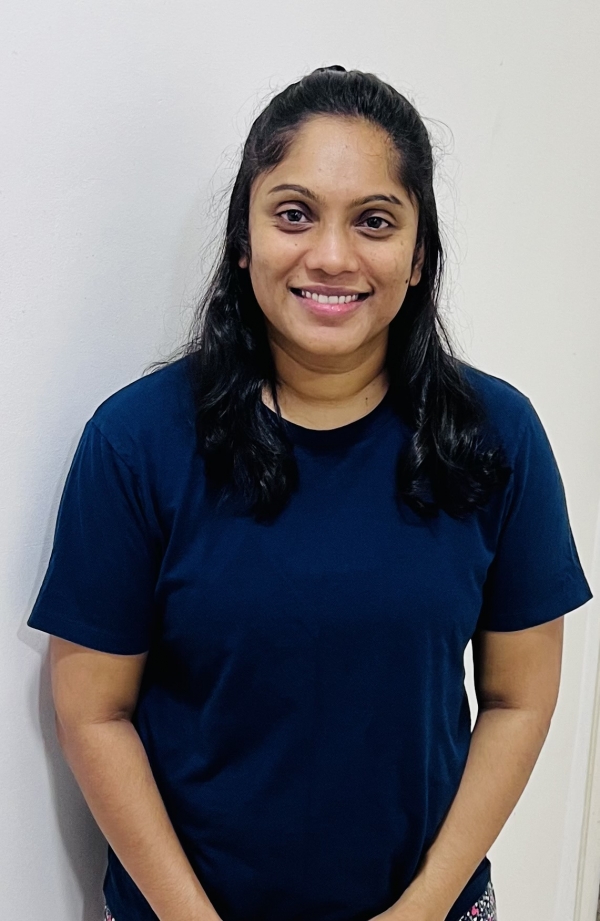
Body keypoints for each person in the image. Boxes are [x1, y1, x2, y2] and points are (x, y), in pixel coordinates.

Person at [27, 66, 592, 921]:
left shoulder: (496, 436)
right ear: (243, 239)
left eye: (375, 221)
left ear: (419, 254)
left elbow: (521, 697)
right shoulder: (135, 442)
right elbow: (92, 712)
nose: (331, 255)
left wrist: (422, 909)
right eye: (294, 213)